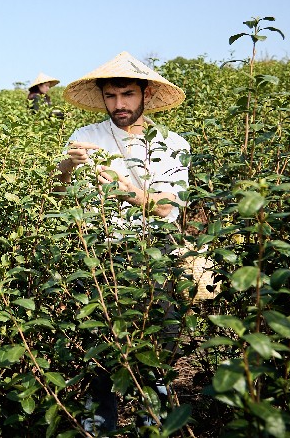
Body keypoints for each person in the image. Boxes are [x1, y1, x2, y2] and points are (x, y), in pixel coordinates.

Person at [55, 51, 190, 432]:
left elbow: (165, 207)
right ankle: (98, 428)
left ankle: (154, 427)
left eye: (127, 94)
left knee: (156, 352)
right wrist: (68, 165)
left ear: (146, 93)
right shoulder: (85, 137)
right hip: (99, 253)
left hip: (154, 255)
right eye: (111, 96)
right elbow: (56, 191)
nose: (119, 105)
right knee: (98, 353)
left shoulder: (172, 144)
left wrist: (123, 189)